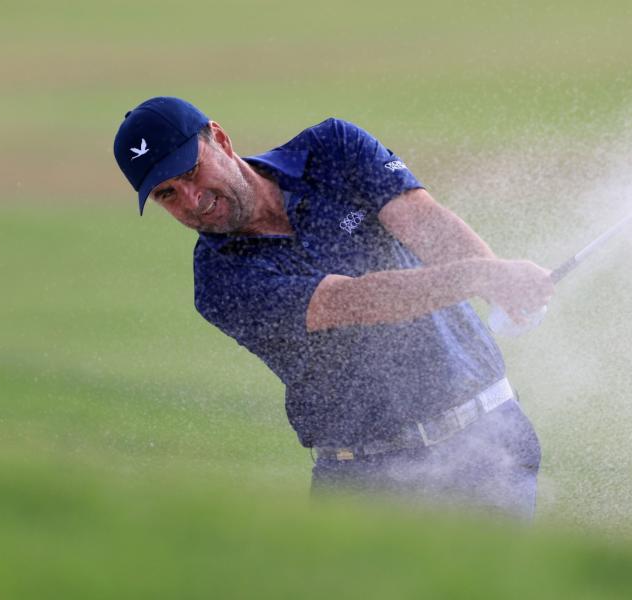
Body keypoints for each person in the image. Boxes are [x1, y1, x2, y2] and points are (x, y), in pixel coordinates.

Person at [113, 97, 553, 518]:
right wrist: (480, 277)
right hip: (368, 481)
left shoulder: (332, 148)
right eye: (167, 194)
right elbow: (353, 302)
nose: (191, 200)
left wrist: (497, 280)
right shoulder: (219, 282)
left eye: (191, 171)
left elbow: (425, 223)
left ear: (220, 140)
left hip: (488, 441)